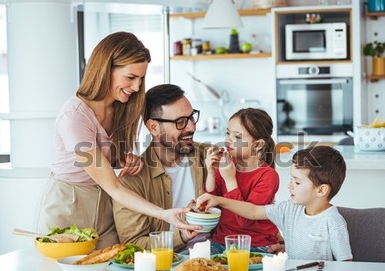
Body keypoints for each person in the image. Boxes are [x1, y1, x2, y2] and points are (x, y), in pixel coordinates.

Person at [36, 32, 198, 249]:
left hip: (106, 203)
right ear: (106, 69)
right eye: (130, 78)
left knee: (110, 270)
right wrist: (164, 214)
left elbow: (110, 171)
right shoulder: (74, 117)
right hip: (70, 202)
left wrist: (123, 159)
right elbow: (113, 185)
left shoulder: (122, 107)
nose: (137, 87)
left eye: (141, 78)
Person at [197, 145, 353, 261]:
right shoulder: (288, 208)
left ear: (321, 190)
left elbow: (346, 265)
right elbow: (253, 211)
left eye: (297, 182)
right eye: (291, 179)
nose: (289, 186)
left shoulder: (332, 222)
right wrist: (218, 200)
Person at [113, 84, 211, 251]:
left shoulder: (209, 156)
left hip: (215, 259)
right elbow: (133, 244)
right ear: (153, 127)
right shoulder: (131, 179)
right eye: (181, 122)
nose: (192, 127)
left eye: (192, 117)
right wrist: (180, 237)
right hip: (162, 268)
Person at [204, 108, 283, 254]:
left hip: (256, 245)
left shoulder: (268, 176)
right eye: (228, 133)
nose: (228, 140)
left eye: (237, 137)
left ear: (258, 145)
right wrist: (210, 172)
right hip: (221, 241)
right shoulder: (227, 164)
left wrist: (230, 179)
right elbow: (209, 201)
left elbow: (245, 219)